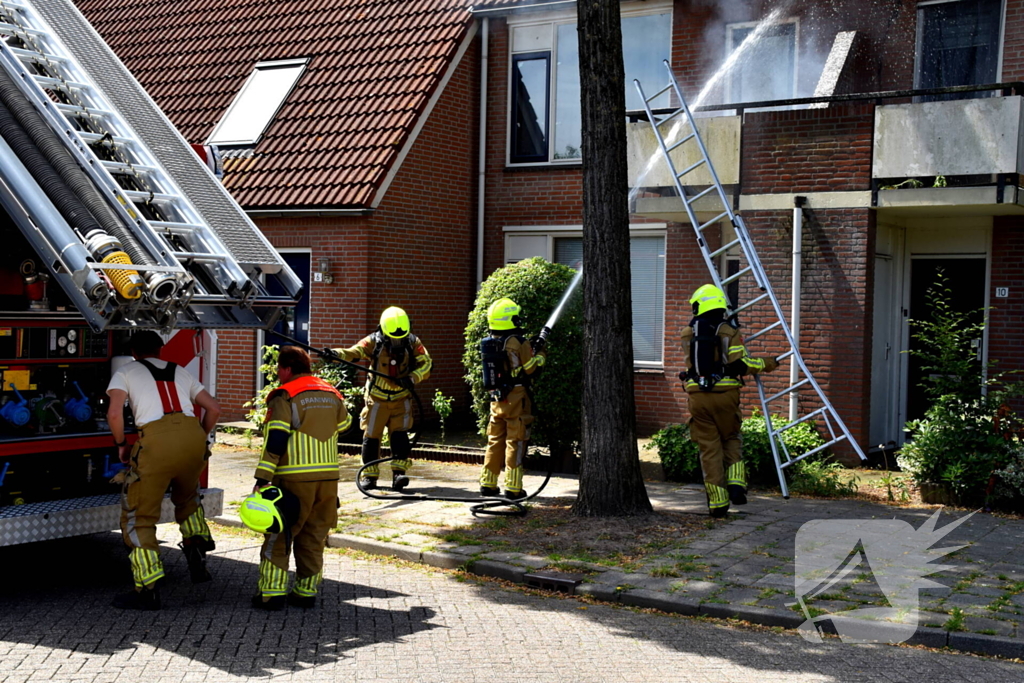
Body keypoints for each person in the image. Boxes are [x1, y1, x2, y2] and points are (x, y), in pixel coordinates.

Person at [106, 331, 221, 610]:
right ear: (161, 350)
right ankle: (196, 551)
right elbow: (215, 408)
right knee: (188, 500)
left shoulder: (126, 371)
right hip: (193, 441)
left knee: (138, 518)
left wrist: (122, 444)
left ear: (134, 351)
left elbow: (113, 413)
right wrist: (199, 438)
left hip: (156, 445)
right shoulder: (180, 371)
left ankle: (148, 590)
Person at [252, 346, 352, 610]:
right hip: (328, 480)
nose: (278, 375)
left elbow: (276, 439)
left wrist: (263, 477)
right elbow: (345, 425)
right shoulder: (331, 392)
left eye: (278, 370)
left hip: (294, 480)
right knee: (314, 535)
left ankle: (272, 594)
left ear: (286, 369)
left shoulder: (285, 395)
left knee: (280, 535)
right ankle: (305, 593)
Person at [681, 284, 778, 518]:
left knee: (709, 450)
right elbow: (740, 365)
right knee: (731, 438)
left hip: (697, 397)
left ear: (699, 306)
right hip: (725, 395)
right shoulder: (728, 331)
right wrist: (768, 362)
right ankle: (736, 486)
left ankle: (717, 504)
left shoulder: (687, 332)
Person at [331, 307, 431, 492]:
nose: (397, 341)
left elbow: (426, 362)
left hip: (402, 399)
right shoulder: (372, 341)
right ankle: (369, 476)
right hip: (377, 399)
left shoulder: (412, 341)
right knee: (371, 437)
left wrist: (412, 377)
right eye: (393, 337)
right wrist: (335, 354)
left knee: (400, 436)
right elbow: (354, 352)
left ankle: (398, 475)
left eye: (401, 337)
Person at [479, 298, 546, 500]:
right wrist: (541, 352)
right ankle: (513, 487)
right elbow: (530, 369)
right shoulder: (519, 341)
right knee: (514, 441)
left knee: (494, 440)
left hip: (497, 397)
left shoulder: (490, 341)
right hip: (517, 397)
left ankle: (488, 483)